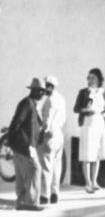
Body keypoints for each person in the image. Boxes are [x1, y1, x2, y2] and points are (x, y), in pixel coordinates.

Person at [73, 67, 105, 194]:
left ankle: (94, 181)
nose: (89, 80)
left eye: (92, 77)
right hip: (88, 124)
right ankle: (88, 183)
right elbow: (76, 108)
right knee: (87, 153)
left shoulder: (102, 92)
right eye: (88, 77)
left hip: (100, 124)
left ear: (98, 79)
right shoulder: (83, 92)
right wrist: (85, 110)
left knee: (96, 154)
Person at [8, 77, 46, 211]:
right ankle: (31, 203)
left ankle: (21, 202)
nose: (42, 94)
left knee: (21, 173)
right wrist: (12, 139)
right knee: (35, 169)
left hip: (21, 145)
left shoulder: (31, 104)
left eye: (43, 91)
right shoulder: (28, 104)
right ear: (33, 91)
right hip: (24, 145)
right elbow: (17, 122)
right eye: (39, 91)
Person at [39, 75, 67, 206]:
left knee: (46, 165)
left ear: (50, 86)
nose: (43, 90)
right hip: (59, 134)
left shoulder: (50, 100)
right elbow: (64, 117)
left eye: (45, 87)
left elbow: (47, 119)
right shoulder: (61, 98)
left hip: (50, 134)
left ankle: (45, 195)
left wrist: (43, 130)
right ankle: (55, 193)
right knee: (57, 165)